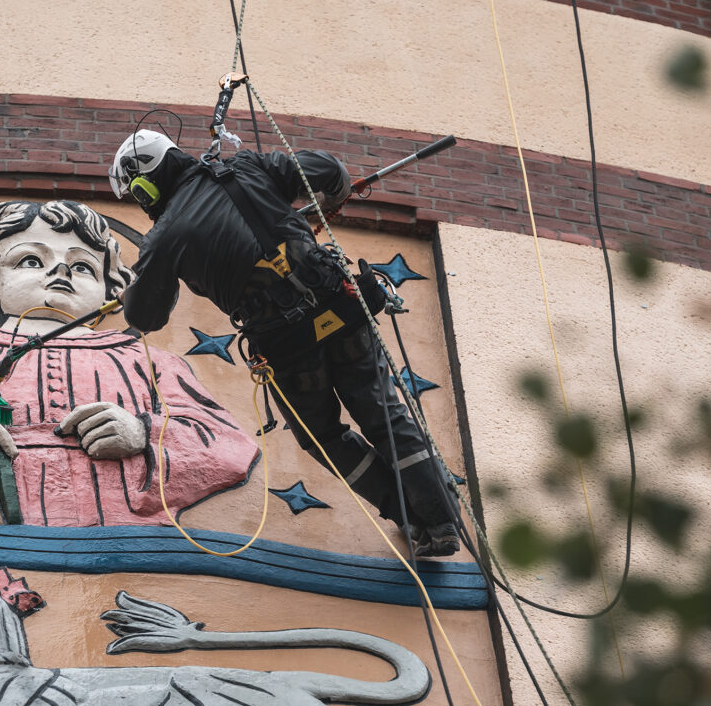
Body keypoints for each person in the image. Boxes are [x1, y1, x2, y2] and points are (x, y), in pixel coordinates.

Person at [110, 130, 458, 556]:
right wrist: (333, 199)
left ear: (145, 184)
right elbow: (329, 170)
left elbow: (143, 317)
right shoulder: (246, 168)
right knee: (383, 413)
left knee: (324, 437)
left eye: (137, 195)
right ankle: (440, 518)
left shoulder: (165, 237)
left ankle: (411, 516)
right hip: (344, 312)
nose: (141, 204)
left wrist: (151, 273)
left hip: (290, 348)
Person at [0, 199, 260, 525]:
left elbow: (226, 445)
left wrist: (143, 434)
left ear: (110, 290)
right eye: (30, 260)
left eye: (82, 265)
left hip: (131, 539)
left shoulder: (149, 362)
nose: (60, 269)